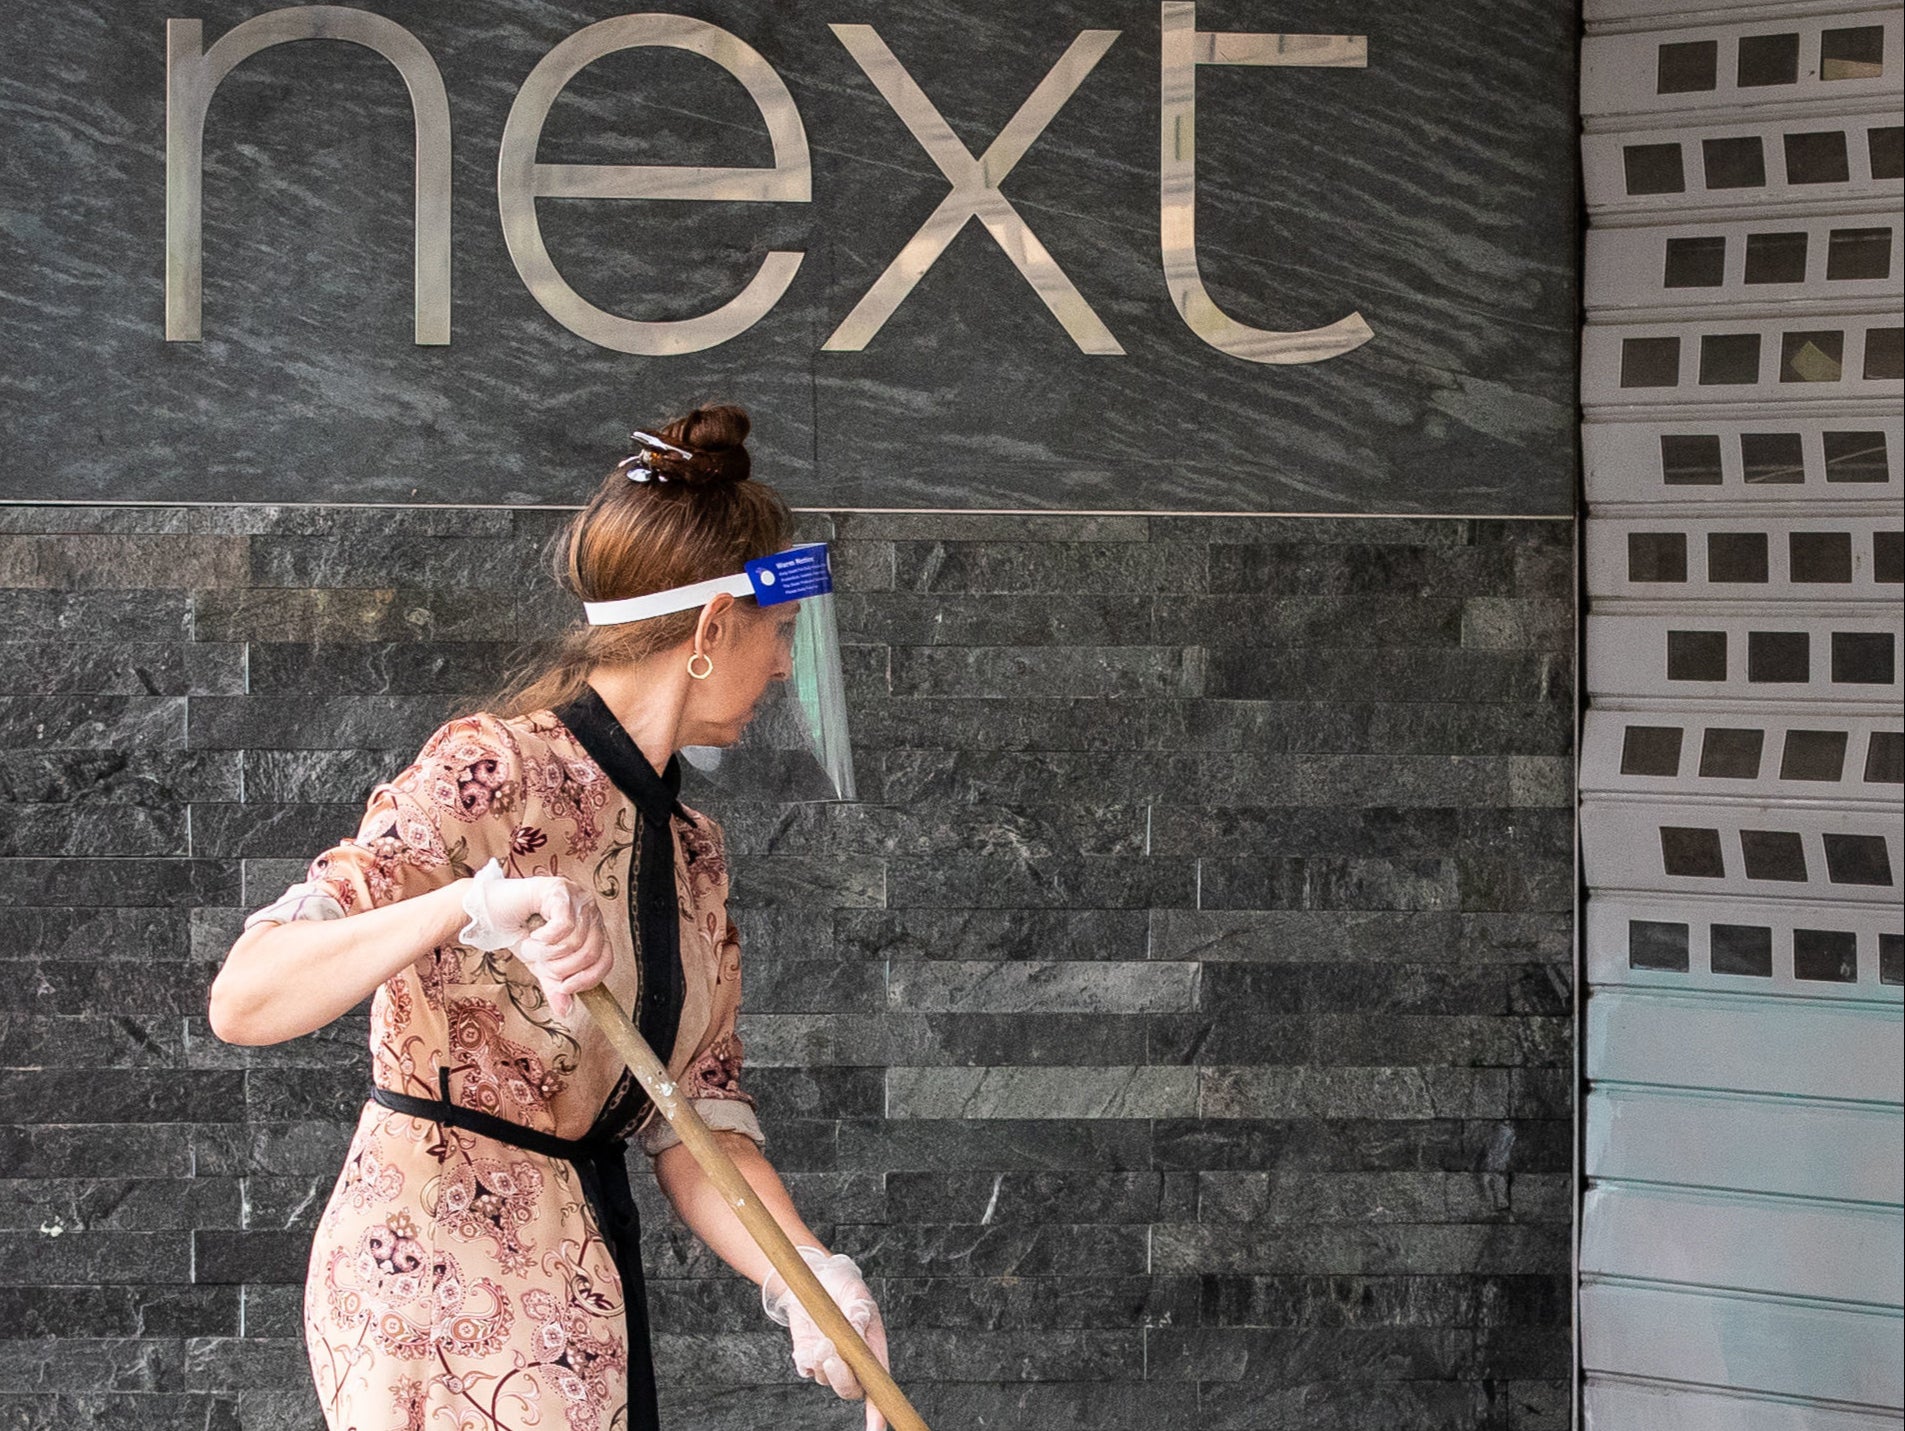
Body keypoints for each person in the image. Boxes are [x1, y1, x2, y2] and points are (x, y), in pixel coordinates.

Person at [207, 403, 891, 1431]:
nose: (787, 667)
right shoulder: (489, 772)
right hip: (434, 1279)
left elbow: (692, 1112)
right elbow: (247, 998)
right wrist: (463, 905)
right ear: (712, 631)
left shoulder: (692, 853)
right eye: (780, 634)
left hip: (578, 1276)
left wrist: (806, 1277)